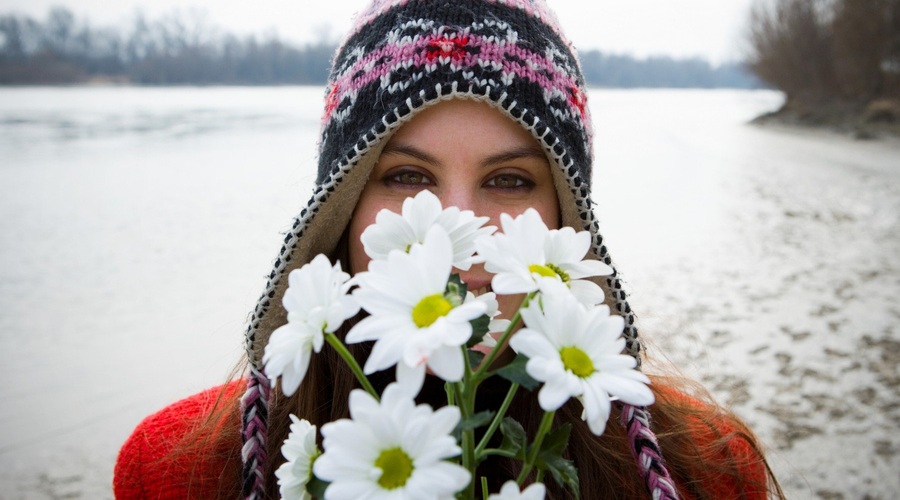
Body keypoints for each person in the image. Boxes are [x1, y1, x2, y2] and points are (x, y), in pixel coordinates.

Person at [114, 0, 785, 498]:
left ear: (566, 220)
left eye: (510, 180)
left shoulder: (706, 467)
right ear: (340, 212)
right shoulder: (179, 469)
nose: (452, 238)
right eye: (406, 176)